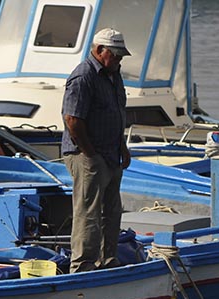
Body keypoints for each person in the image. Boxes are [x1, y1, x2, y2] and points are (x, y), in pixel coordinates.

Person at [61, 27, 132, 273]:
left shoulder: (114, 75)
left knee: (112, 210)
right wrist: (90, 154)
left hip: (111, 153)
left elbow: (116, 113)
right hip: (87, 155)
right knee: (88, 211)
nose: (119, 59)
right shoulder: (83, 76)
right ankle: (83, 264)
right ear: (100, 50)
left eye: (121, 55)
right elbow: (72, 120)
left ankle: (107, 259)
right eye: (116, 54)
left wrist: (122, 147)